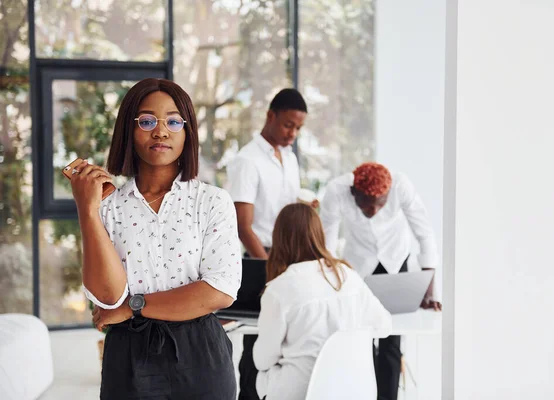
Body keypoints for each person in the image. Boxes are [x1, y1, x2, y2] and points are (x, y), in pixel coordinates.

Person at [69, 78, 242, 400]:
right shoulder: (109, 208)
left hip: (200, 353)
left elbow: (220, 291)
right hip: (129, 355)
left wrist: (134, 306)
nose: (160, 131)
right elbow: (107, 299)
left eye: (174, 121)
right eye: (147, 121)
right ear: (128, 131)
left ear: (187, 131)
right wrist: (88, 211)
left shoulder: (211, 201)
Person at [320, 162, 441, 400]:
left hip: (396, 263)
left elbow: (425, 234)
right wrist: (330, 287)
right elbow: (327, 245)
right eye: (367, 205)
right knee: (358, 340)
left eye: (380, 204)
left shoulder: (401, 186)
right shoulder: (337, 191)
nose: (374, 211)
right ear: (354, 192)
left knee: (391, 341)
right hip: (357, 267)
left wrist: (429, 291)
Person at [253, 203, 392, 400]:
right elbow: (384, 325)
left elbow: (263, 360)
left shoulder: (278, 289)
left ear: (279, 239)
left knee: (261, 375)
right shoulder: (348, 275)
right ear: (319, 234)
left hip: (302, 393)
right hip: (353, 390)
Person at [227, 88, 307, 400]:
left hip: (290, 255)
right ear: (270, 116)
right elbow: (242, 225)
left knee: (285, 336)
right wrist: (268, 269)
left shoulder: (289, 158)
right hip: (260, 255)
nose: (293, 134)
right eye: (288, 125)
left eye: (299, 128)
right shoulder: (246, 161)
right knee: (257, 337)